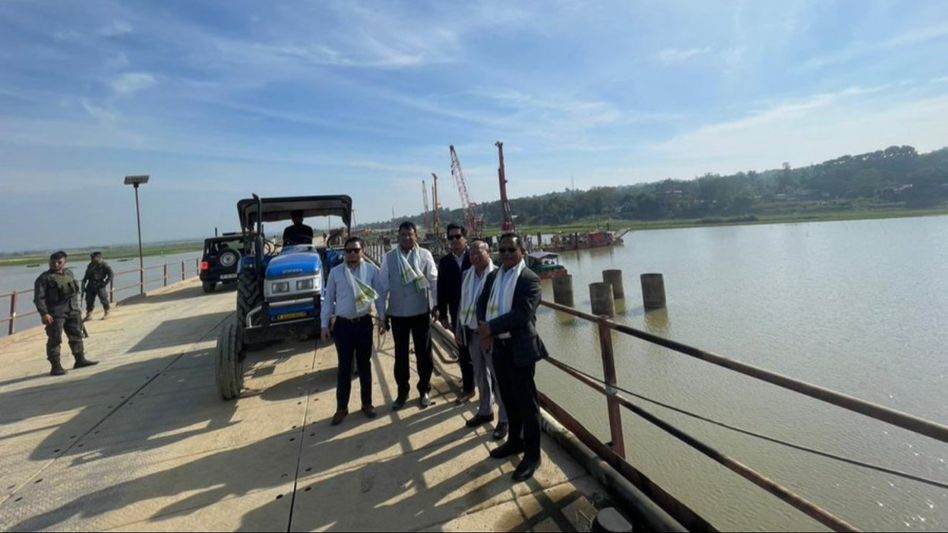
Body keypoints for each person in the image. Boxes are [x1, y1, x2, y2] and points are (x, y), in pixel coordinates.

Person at [477, 233, 548, 482]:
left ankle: (532, 455)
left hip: (519, 349)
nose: (506, 254)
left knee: (528, 404)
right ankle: (514, 442)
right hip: (498, 348)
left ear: (522, 252)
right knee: (508, 398)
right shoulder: (495, 276)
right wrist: (485, 330)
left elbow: (522, 314)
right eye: (503, 250)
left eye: (511, 250)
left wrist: (490, 328)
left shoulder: (530, 279)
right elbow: (481, 302)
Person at [321, 236, 385, 426]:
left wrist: (382, 317)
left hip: (364, 323)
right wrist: (324, 324)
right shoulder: (336, 273)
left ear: (362, 251)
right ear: (344, 253)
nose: (352, 254)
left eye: (356, 250)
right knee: (344, 367)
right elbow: (328, 299)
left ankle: (367, 403)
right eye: (348, 251)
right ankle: (342, 408)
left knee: (365, 365)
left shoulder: (371, 271)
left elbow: (379, 296)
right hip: (343, 326)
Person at [379, 221, 438, 410]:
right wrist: (382, 315)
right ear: (398, 237)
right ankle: (402, 392)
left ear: (416, 236)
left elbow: (433, 280)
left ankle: (424, 390)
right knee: (401, 355)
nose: (407, 238)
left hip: (420, 312)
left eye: (410, 234)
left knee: (424, 354)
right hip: (398, 314)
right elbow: (382, 289)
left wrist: (435, 305)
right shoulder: (388, 258)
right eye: (403, 235)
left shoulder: (425, 255)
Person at [456, 239, 508, 440]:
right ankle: (485, 410)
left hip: (491, 335)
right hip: (472, 332)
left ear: (489, 253)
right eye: (472, 254)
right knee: (479, 374)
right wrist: (460, 328)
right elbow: (462, 303)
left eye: (479, 253)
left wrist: (493, 332)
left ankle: (505, 418)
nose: (475, 257)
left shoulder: (497, 276)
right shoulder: (466, 275)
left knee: (498, 376)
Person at [34, 251, 99, 376]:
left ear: (65, 262)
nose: (55, 264)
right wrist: (44, 313)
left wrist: (78, 310)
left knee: (76, 335)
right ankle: (56, 366)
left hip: (72, 310)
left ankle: (80, 359)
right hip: (56, 313)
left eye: (59, 262)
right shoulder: (44, 278)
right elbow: (39, 298)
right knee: (55, 339)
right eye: (53, 262)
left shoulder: (69, 273)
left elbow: (74, 292)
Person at [436, 223, 474, 403]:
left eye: (458, 236)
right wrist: (443, 315)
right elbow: (441, 289)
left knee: (484, 352)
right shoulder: (444, 262)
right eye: (451, 237)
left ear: (465, 238)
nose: (454, 240)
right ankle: (468, 388)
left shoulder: (475, 257)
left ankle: (489, 388)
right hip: (457, 313)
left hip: (477, 312)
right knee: (464, 352)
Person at [82, 251, 113, 321]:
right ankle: (89, 314)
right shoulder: (90, 265)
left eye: (94, 257)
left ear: (99, 257)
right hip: (90, 285)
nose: (92, 259)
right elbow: (86, 275)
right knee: (89, 300)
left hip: (99, 284)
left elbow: (111, 275)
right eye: (92, 257)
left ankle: (107, 312)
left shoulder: (104, 265)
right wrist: (83, 284)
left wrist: (105, 283)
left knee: (103, 299)